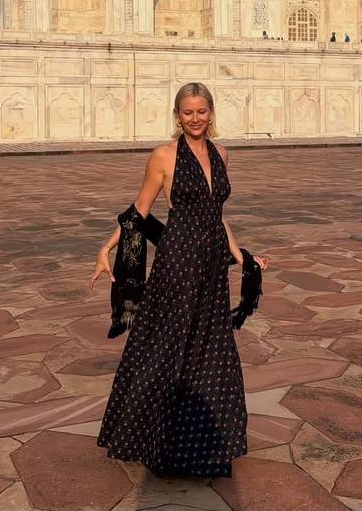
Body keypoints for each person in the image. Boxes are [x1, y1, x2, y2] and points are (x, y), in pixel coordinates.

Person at [91, 82, 269, 478]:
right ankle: (154, 441)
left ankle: (201, 444)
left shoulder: (221, 153)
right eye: (187, 112)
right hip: (178, 263)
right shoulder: (164, 156)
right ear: (177, 116)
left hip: (211, 268)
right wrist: (107, 247)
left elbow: (216, 213)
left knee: (209, 350)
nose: (195, 118)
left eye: (201, 111)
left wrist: (241, 256)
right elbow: (140, 210)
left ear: (211, 112)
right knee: (167, 347)